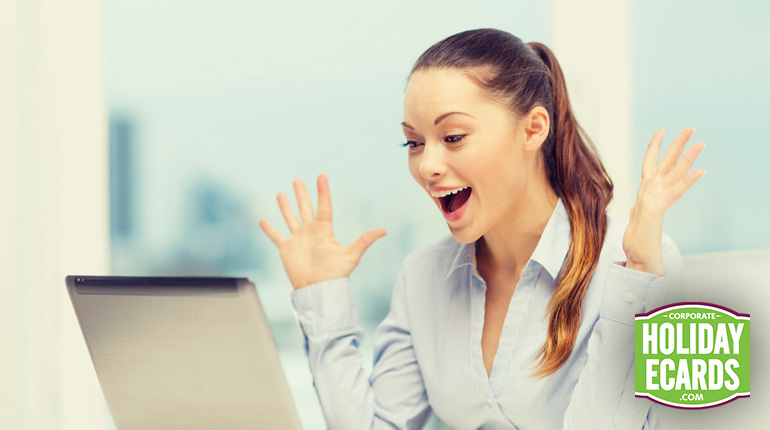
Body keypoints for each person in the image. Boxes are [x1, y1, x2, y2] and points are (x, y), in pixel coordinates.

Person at [259, 28, 705, 430]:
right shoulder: (424, 277)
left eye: (453, 137)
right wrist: (322, 295)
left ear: (533, 130)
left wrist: (639, 275)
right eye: (414, 142)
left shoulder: (633, 267)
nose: (427, 166)